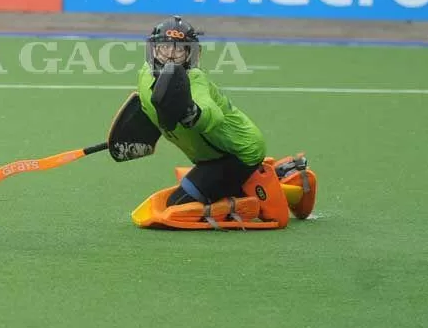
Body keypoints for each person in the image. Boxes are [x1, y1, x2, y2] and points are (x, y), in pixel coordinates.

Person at [129, 15, 318, 230]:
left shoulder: (194, 79)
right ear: (154, 50)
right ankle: (285, 182)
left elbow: (212, 113)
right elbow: (146, 106)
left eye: (179, 50)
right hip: (211, 156)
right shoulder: (145, 74)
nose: (171, 55)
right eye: (165, 48)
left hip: (237, 153)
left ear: (190, 54)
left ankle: (254, 203)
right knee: (194, 192)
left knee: (178, 205)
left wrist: (192, 113)